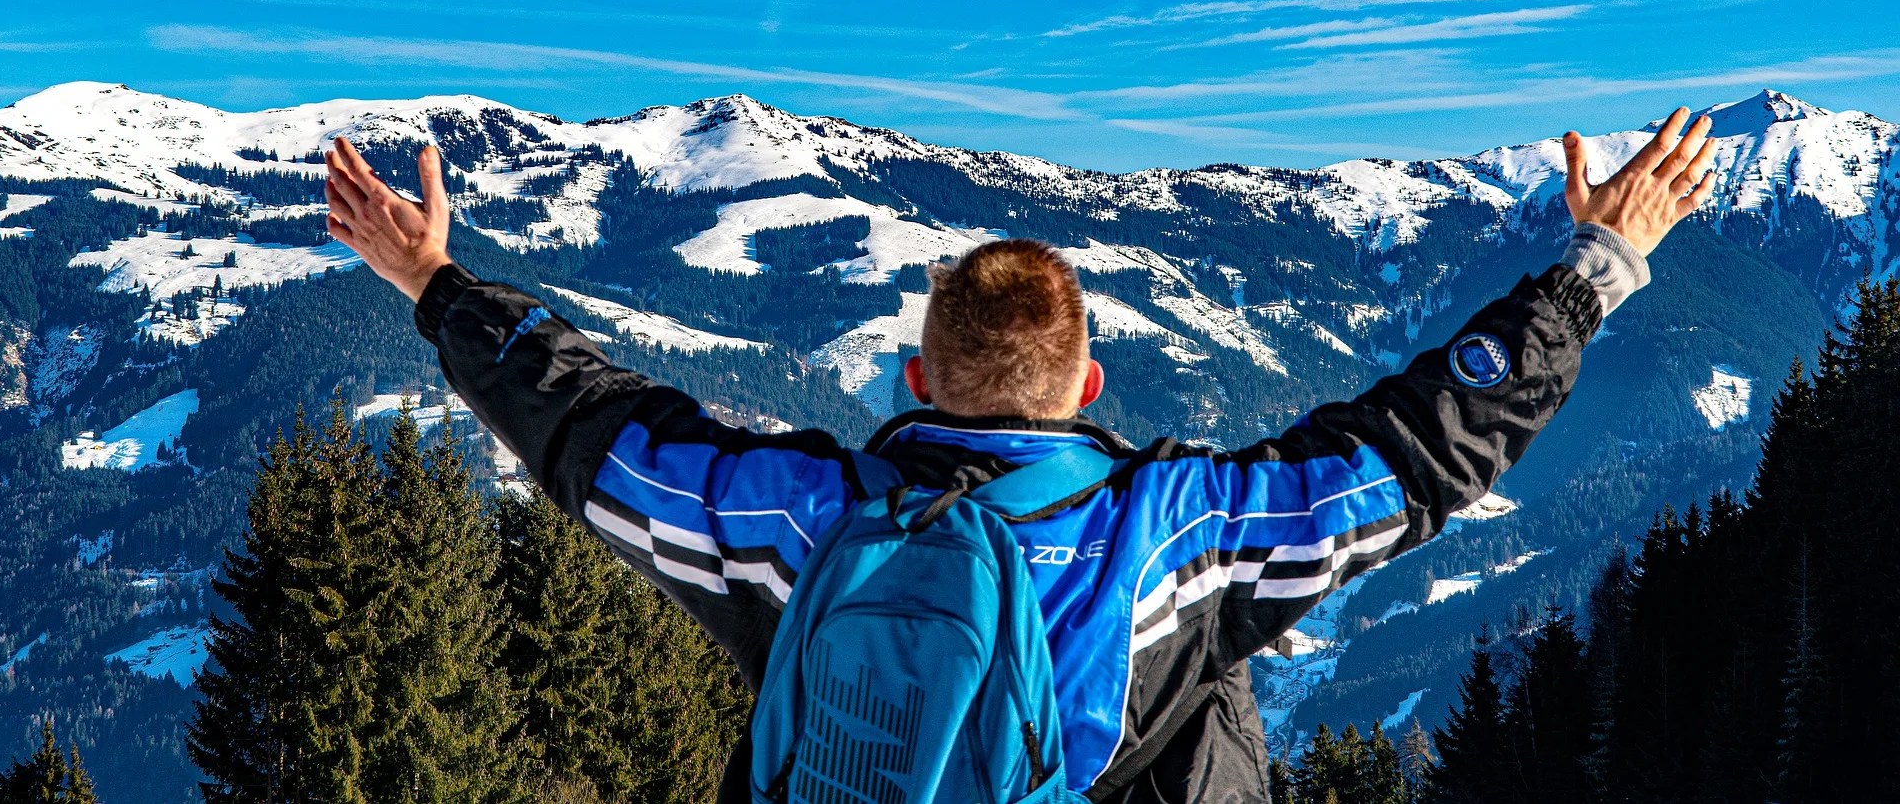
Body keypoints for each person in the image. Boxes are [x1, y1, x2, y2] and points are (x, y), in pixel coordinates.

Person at [323, 108, 1717, 804]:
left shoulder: (794, 520)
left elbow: (598, 432)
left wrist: (439, 286)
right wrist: (1591, 274)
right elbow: (1416, 453)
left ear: (919, 381)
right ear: (1088, 386)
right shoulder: (1178, 532)